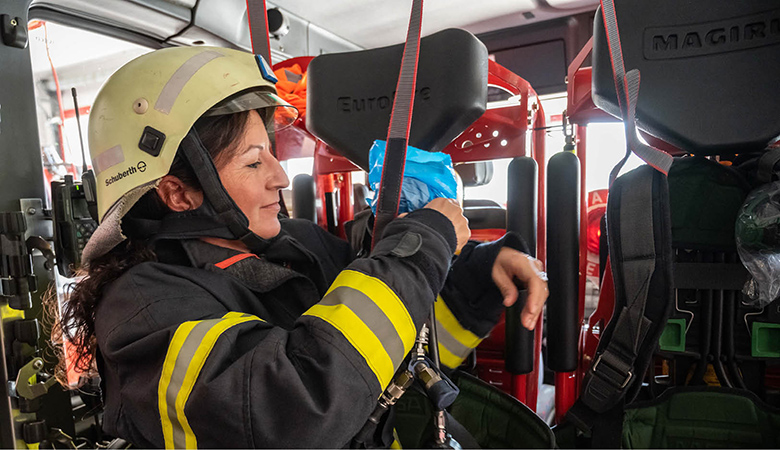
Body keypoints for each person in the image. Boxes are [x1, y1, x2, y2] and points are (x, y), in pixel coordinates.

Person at [56, 46, 548, 448]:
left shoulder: (296, 245)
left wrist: (476, 279)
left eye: (272, 153)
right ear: (178, 193)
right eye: (253, 162)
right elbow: (294, 412)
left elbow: (389, 347)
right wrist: (419, 248)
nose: (278, 177)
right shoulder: (142, 311)